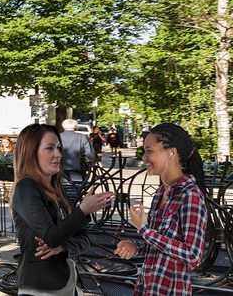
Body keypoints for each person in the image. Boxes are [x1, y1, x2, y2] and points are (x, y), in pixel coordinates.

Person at [11, 123, 114, 296]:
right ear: (31, 153)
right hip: (38, 287)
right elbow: (51, 237)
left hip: (65, 281)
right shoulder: (26, 188)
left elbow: (84, 238)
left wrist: (63, 246)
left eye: (59, 148)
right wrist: (83, 210)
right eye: (49, 148)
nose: (58, 154)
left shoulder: (57, 189)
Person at [113, 123, 208, 295]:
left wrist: (144, 230)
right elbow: (159, 245)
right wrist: (135, 247)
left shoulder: (190, 195)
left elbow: (193, 255)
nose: (144, 158)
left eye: (149, 151)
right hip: (148, 287)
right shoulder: (162, 192)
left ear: (171, 152)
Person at [58, 119, 94, 197]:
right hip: (77, 168)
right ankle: (74, 202)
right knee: (76, 189)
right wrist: (91, 161)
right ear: (75, 127)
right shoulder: (82, 137)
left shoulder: (57, 137)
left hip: (60, 168)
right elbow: (89, 154)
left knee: (61, 189)